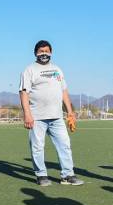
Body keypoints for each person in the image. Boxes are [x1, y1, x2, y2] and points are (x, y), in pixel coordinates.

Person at [19, 40, 83, 187]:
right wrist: (27, 114)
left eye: (46, 51)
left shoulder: (57, 69)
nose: (44, 54)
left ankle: (68, 175)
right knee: (37, 147)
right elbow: (23, 93)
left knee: (65, 145)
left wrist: (70, 112)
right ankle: (41, 175)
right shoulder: (29, 70)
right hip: (37, 117)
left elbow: (64, 91)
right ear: (35, 53)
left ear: (51, 52)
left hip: (57, 116)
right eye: (41, 51)